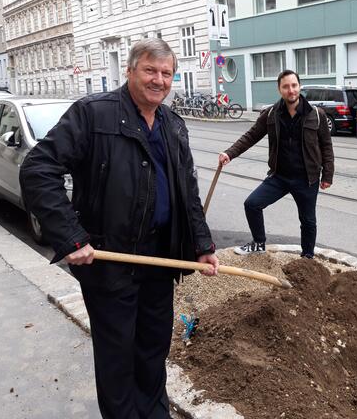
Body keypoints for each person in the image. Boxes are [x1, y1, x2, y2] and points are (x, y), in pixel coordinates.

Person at [20, 38, 218, 419]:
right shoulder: (94, 115)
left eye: (166, 73)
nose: (159, 80)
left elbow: (187, 193)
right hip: (111, 263)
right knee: (117, 358)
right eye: (150, 70)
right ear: (129, 71)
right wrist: (71, 236)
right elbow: (37, 170)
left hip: (161, 261)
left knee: (153, 348)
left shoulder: (173, 125)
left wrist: (202, 243)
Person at [218, 69, 334, 258]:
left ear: (300, 86)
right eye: (286, 86)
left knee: (308, 221)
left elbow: (327, 147)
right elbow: (251, 136)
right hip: (279, 176)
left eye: (294, 85)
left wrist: (327, 175)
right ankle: (258, 243)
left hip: (307, 179)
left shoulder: (316, 114)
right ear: (279, 89)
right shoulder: (271, 113)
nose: (291, 90)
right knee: (252, 204)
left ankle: (307, 258)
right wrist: (229, 153)